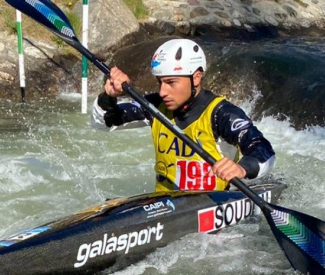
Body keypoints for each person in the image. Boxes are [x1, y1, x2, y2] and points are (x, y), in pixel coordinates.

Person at [91, 39, 276, 192]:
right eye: (160, 82)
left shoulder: (221, 113)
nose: (162, 91)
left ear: (196, 78)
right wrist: (109, 96)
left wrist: (242, 168)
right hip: (164, 207)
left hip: (214, 211)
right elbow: (102, 123)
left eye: (171, 82)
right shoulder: (154, 106)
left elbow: (263, 149)